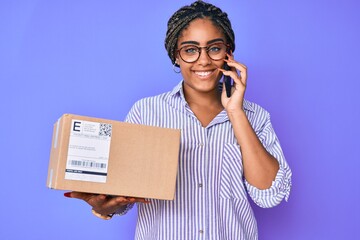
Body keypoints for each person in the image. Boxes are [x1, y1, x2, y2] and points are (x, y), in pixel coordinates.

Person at [64, 1, 292, 239]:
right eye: (190, 49)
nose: (203, 60)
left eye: (214, 48)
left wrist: (235, 112)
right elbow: (126, 199)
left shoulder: (256, 117)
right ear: (176, 55)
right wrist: (104, 208)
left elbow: (269, 196)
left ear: (228, 53)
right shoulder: (146, 112)